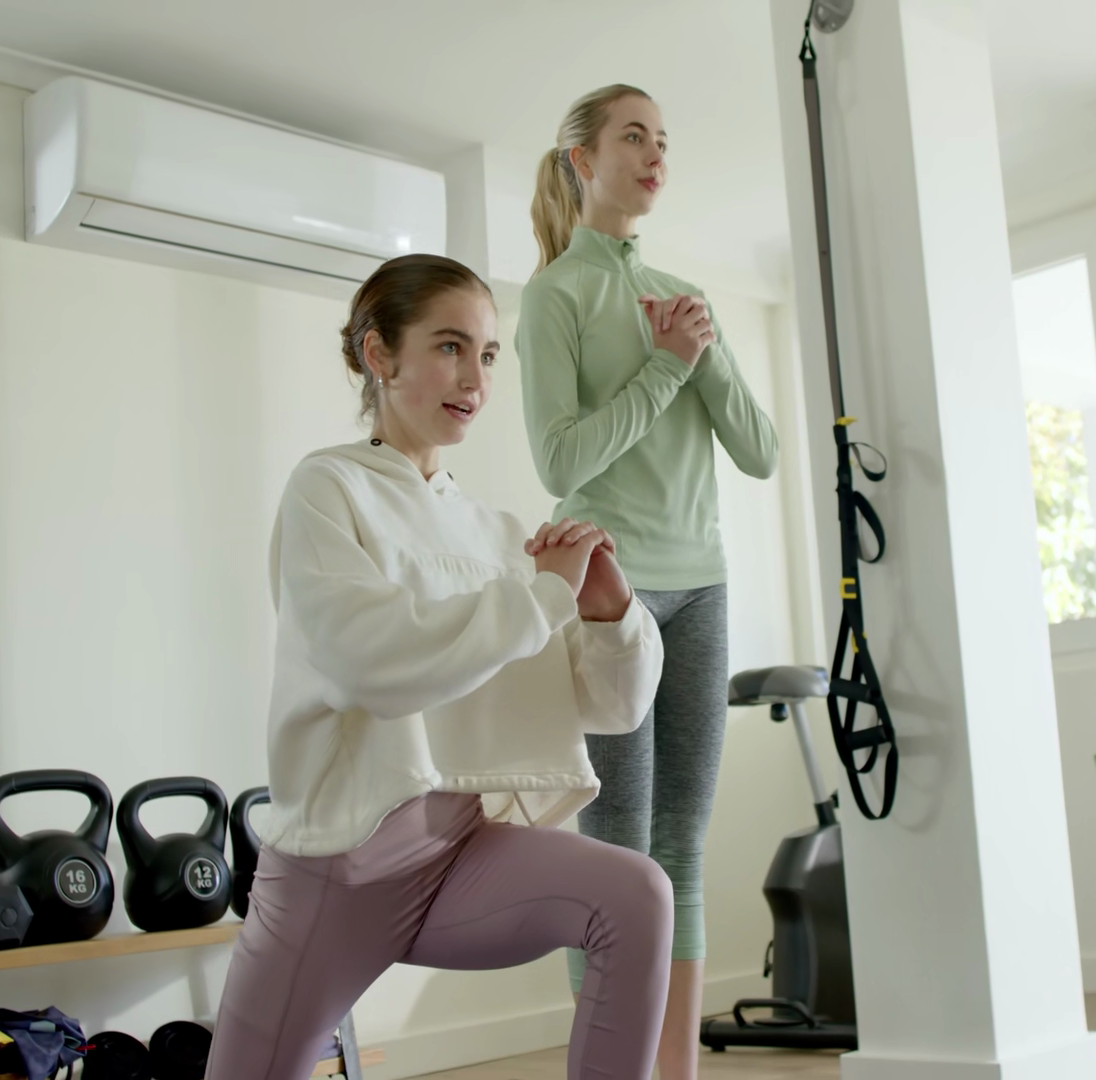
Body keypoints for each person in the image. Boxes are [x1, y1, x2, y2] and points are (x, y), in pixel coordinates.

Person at [208, 254, 673, 1080]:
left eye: (488, 354)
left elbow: (613, 706)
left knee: (636, 894)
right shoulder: (329, 487)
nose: (475, 379)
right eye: (450, 346)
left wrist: (608, 610)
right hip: (338, 869)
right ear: (379, 354)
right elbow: (373, 664)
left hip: (459, 851)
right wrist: (542, 597)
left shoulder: (498, 532)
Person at [519, 85, 780, 1079]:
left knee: (684, 842)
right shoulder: (556, 295)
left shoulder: (682, 295)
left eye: (663, 139)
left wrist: (700, 355)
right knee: (618, 846)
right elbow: (561, 460)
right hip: (612, 594)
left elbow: (760, 451)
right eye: (633, 136)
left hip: (702, 586)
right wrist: (667, 365)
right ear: (583, 160)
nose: (655, 153)